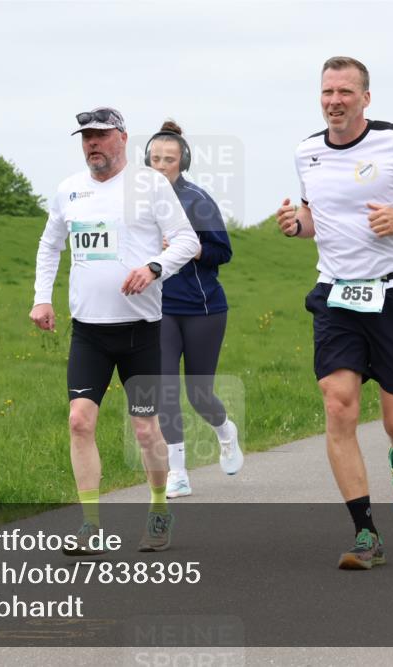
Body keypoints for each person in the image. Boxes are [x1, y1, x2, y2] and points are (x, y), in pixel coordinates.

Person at [276, 57, 393, 570]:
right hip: (336, 294)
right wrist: (298, 224)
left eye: (344, 91)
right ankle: (366, 534)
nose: (333, 100)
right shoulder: (307, 152)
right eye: (326, 92)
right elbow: (320, 217)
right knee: (338, 404)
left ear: (365, 97)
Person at [30, 107, 200, 553]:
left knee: (145, 429)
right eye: (86, 137)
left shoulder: (150, 185)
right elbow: (50, 246)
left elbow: (188, 240)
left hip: (140, 332)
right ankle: (90, 523)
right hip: (89, 333)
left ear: (122, 138)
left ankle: (160, 509)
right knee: (79, 421)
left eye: (101, 136)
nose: (93, 145)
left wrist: (154, 268)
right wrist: (41, 298)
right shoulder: (70, 191)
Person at [144, 121, 241, 499]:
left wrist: (192, 246)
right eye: (154, 159)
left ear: (183, 162)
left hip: (203, 309)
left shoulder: (198, 201)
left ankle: (224, 431)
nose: (161, 165)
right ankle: (178, 472)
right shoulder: (135, 199)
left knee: (199, 392)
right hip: (159, 309)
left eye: (169, 159)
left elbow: (223, 252)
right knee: (166, 390)